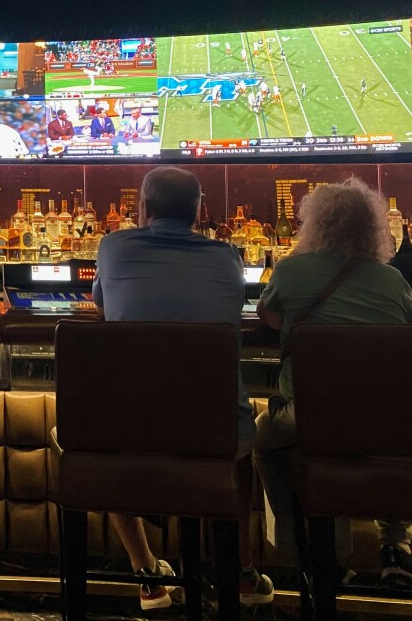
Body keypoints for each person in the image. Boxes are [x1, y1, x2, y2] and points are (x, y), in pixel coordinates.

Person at [92, 166, 273, 610]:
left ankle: (147, 572)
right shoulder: (228, 257)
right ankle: (241, 572)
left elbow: (102, 304)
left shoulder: (113, 248)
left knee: (94, 434)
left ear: (144, 208)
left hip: (129, 434)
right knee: (242, 443)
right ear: (198, 213)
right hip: (214, 435)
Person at [255, 178, 412, 587]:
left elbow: (268, 318)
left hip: (309, 418)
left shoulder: (290, 270)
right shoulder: (392, 280)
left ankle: (305, 549)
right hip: (386, 424)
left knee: (261, 440)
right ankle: (395, 547)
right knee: (385, 435)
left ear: (315, 225)